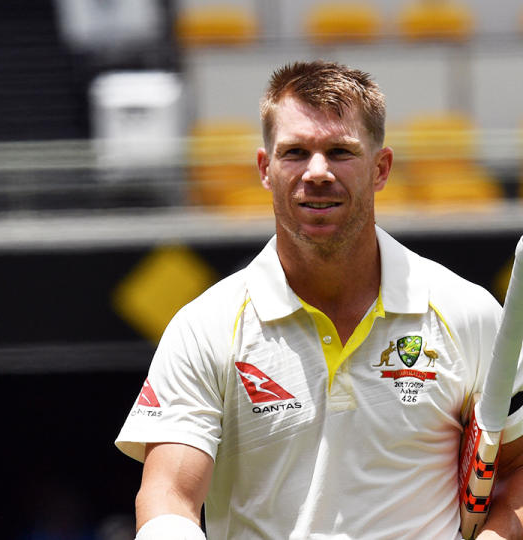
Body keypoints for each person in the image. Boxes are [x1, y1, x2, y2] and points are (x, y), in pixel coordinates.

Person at [115, 60, 523, 539]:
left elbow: (516, 470)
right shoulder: (204, 326)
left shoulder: (467, 312)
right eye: (294, 152)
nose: (317, 172)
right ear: (265, 169)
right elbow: (168, 495)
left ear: (381, 168)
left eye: (339, 151)